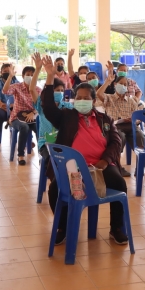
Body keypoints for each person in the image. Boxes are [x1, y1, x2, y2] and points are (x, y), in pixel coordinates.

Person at [41, 55, 128, 246]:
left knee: (119, 183)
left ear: (93, 100)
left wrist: (105, 161)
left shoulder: (105, 119)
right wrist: (49, 77)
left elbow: (116, 142)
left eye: (86, 98)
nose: (81, 101)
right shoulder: (66, 117)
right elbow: (48, 108)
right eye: (78, 98)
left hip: (100, 166)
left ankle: (116, 228)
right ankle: (62, 227)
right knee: (55, 189)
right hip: (72, 168)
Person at [29, 53, 74, 185]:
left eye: (61, 90)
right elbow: (32, 89)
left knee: (74, 159)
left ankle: (73, 184)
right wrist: (38, 69)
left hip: (64, 143)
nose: (59, 92)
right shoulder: (42, 106)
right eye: (56, 90)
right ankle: (58, 185)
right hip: (46, 144)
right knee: (53, 160)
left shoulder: (67, 106)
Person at [97, 72, 143, 177]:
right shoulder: (109, 98)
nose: (123, 86)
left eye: (125, 84)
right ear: (115, 84)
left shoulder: (131, 100)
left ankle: (140, 166)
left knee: (140, 136)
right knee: (119, 138)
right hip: (115, 126)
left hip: (130, 126)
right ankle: (118, 166)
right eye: (121, 84)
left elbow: (138, 117)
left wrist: (134, 120)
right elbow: (98, 94)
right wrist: (107, 81)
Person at [3, 64, 40, 165]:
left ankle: (42, 155)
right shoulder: (17, 87)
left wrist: (33, 113)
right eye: (28, 74)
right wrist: (10, 77)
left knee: (39, 128)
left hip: (32, 118)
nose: (30, 77)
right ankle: (21, 155)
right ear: (23, 76)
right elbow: (5, 91)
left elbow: (41, 105)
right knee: (24, 127)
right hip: (16, 118)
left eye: (33, 75)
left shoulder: (38, 90)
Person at [0, 63, 18, 152]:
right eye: (5, 71)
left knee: (25, 116)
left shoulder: (17, 83)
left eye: (9, 71)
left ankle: (26, 141)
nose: (7, 73)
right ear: (1, 72)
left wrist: (14, 109)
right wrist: (9, 109)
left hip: (16, 109)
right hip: (1, 109)